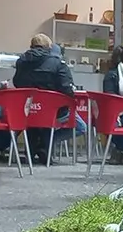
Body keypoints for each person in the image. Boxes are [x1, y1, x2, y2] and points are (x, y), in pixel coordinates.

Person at [12, 33, 75, 164]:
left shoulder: (21, 62)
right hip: (51, 111)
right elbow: (66, 90)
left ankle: (32, 150)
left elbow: (17, 82)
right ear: (49, 47)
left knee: (34, 119)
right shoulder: (58, 64)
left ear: (31, 46)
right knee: (79, 125)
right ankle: (44, 148)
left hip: (26, 109)